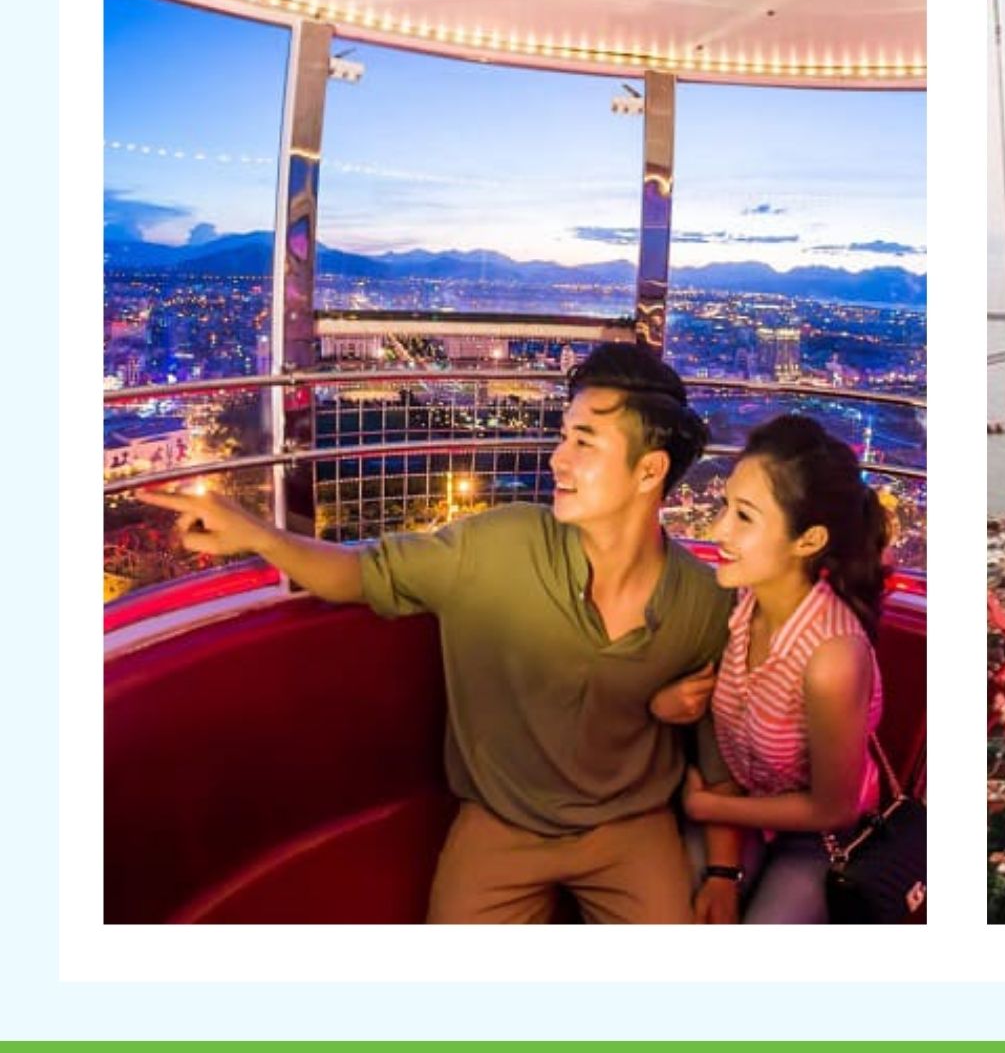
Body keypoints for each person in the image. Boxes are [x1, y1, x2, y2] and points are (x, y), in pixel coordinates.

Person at [141, 343, 744, 925]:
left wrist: (722, 876)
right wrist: (262, 537)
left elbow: (721, 765)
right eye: (563, 435)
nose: (558, 459)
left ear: (650, 471)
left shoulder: (703, 604)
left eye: (584, 443)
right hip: (503, 823)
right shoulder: (500, 546)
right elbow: (362, 572)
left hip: (629, 830)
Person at [678, 414, 890, 924]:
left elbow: (833, 809)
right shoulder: (738, 607)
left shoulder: (832, 657)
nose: (717, 530)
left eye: (744, 517)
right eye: (725, 506)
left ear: (808, 540)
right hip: (743, 808)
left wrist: (709, 809)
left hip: (822, 839)